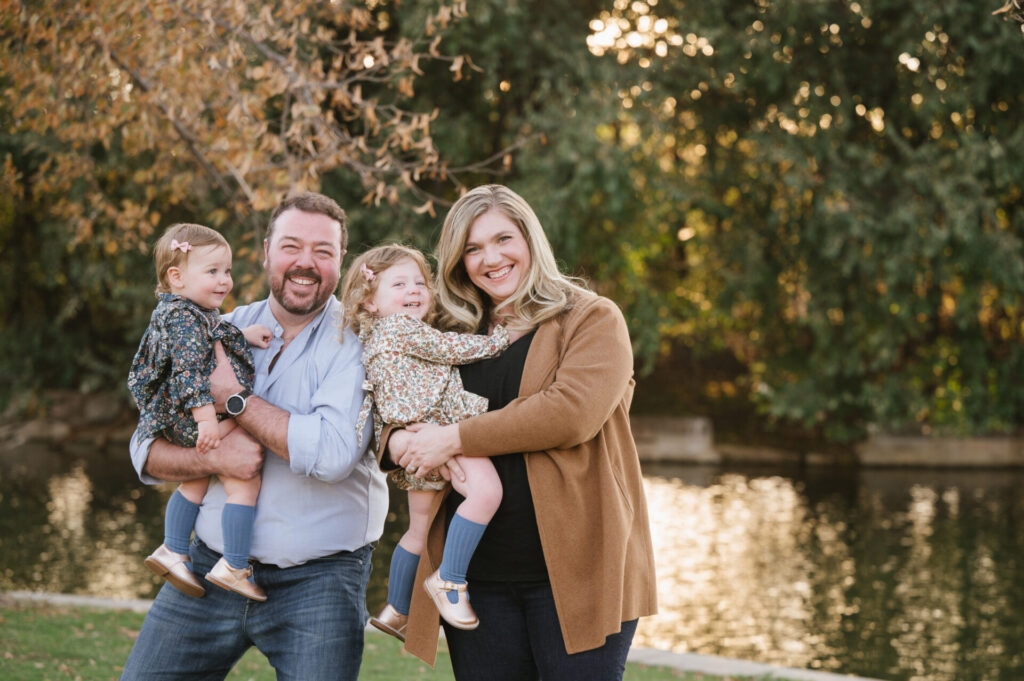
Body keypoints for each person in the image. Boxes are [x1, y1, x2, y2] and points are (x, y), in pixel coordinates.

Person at [379, 184, 658, 681]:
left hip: (578, 571)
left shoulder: (590, 318)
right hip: (474, 579)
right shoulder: (451, 331)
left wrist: (454, 438)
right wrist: (398, 441)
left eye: (503, 238)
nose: (490, 258)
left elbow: (569, 413)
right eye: (472, 247)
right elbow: (392, 392)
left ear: (530, 239)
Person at [120, 192, 389, 681]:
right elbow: (146, 448)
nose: (305, 263)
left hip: (320, 581)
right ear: (266, 251)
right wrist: (215, 461)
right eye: (291, 246)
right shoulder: (219, 325)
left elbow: (332, 455)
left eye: (323, 251)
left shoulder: (358, 343)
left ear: (340, 261)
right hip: (206, 567)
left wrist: (233, 400)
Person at [340, 244, 508, 639]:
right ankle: (449, 582)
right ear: (369, 301)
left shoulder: (372, 336)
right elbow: (449, 348)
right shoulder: (402, 328)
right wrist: (497, 341)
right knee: (487, 494)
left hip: (409, 444)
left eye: (420, 282)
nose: (414, 290)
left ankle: (396, 607)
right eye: (399, 283)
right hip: (440, 430)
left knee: (417, 530)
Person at [127, 223, 272, 602]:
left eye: (227, 271)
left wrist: (245, 333)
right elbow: (191, 371)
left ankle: (173, 549)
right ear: (176, 277)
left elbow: (212, 333)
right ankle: (235, 565)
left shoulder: (185, 312)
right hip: (191, 415)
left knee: (196, 480)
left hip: (176, 417)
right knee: (244, 475)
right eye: (212, 272)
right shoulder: (183, 318)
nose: (225, 280)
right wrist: (208, 420)